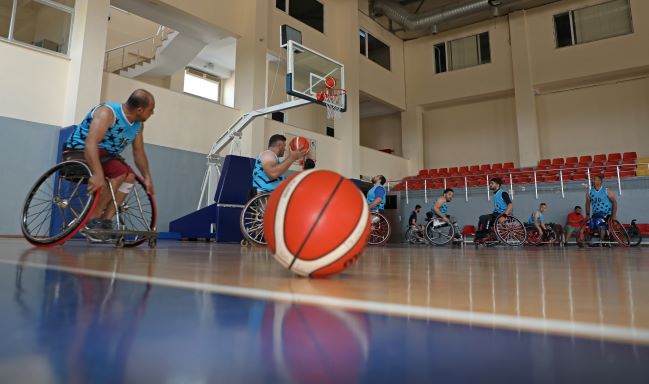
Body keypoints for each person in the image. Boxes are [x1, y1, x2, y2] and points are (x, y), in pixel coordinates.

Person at [64, 89, 156, 232]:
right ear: (140, 109)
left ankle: (105, 220)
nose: (152, 113)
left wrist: (147, 177)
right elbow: (90, 143)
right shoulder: (107, 112)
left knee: (130, 177)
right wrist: (97, 174)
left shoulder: (138, 125)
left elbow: (138, 152)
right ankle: (92, 219)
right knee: (119, 174)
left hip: (107, 156)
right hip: (80, 150)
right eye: (151, 110)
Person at [584, 175, 618, 245]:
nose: (593, 181)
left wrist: (614, 215)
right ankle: (597, 237)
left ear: (600, 181)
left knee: (599, 221)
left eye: (595, 179)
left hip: (606, 212)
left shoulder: (606, 190)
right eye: (593, 179)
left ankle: (601, 241)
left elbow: (614, 202)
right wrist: (587, 215)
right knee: (591, 223)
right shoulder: (589, 192)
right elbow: (587, 204)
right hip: (596, 213)